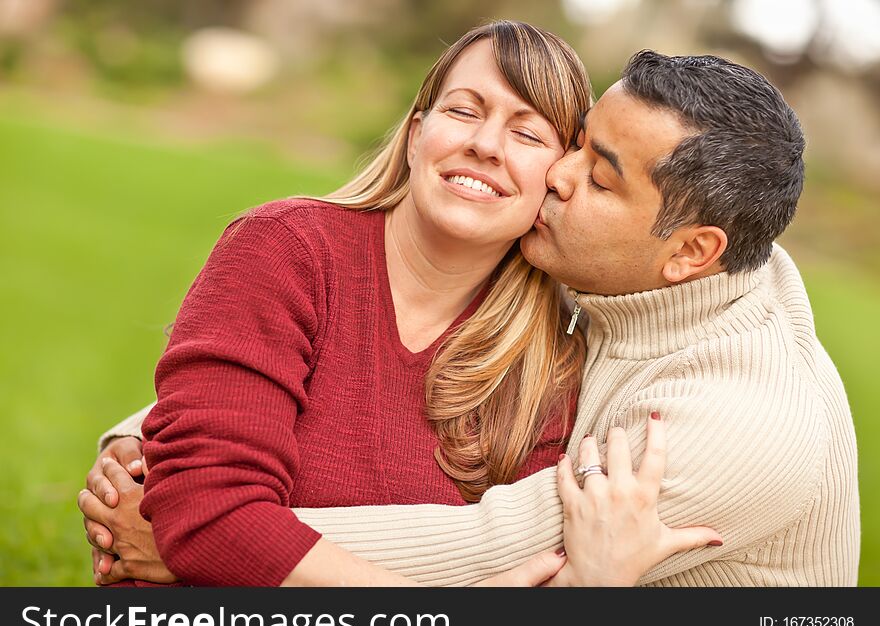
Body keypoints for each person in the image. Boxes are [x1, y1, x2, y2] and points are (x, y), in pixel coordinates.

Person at [78, 23, 720, 587]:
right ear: (417, 134)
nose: (487, 146)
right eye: (465, 111)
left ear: (557, 177)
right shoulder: (287, 250)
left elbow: (532, 575)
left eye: (528, 134)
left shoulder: (546, 358)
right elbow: (207, 511)